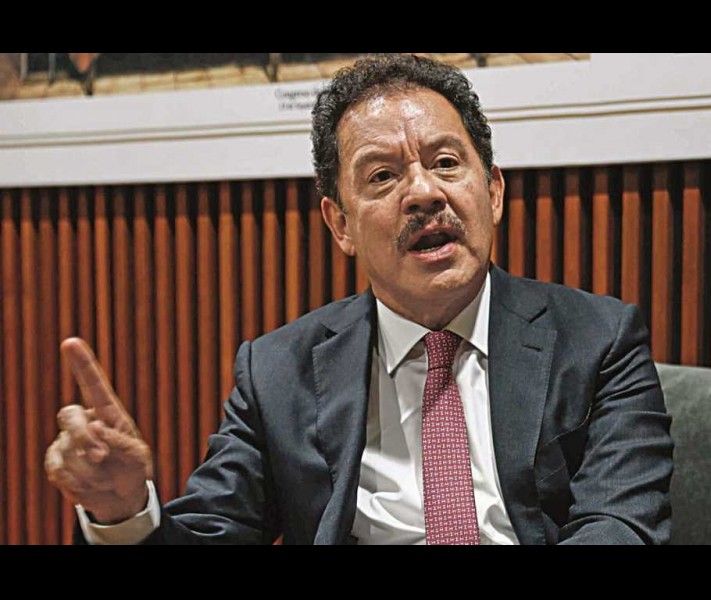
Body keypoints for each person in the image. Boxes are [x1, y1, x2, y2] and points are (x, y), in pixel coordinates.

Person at [44, 53, 674, 545]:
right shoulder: (278, 372)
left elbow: (622, 525)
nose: (424, 193)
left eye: (446, 163)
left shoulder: (598, 338)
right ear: (340, 224)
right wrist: (125, 511)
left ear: (493, 192)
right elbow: (214, 532)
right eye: (383, 176)